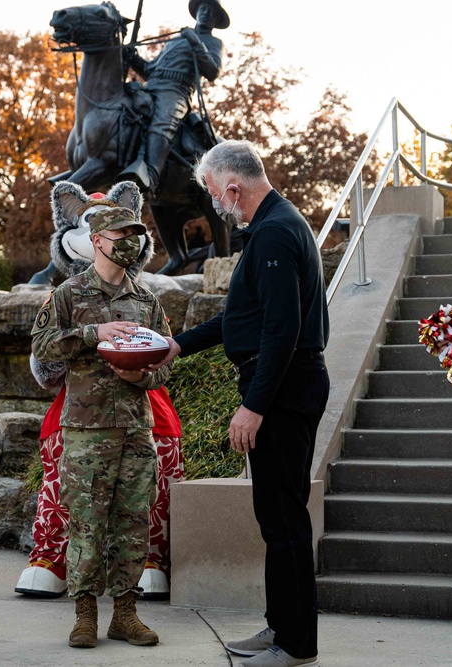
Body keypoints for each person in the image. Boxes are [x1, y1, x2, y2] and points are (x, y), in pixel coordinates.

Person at [153, 140, 329, 667]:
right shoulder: (274, 225)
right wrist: (177, 344)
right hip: (287, 383)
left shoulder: (275, 231)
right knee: (274, 516)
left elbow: (281, 329)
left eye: (213, 193)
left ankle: (296, 644)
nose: (214, 205)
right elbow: (244, 319)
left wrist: (253, 406)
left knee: (284, 520)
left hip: (284, 387)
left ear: (233, 187)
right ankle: (281, 627)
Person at [31, 206, 172, 650]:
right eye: (119, 234)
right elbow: (41, 346)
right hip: (87, 430)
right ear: (96, 239)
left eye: (135, 233)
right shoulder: (67, 294)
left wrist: (143, 377)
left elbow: (165, 359)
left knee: (133, 523)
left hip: (135, 427)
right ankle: (85, 615)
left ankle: (126, 615)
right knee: (87, 525)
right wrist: (95, 332)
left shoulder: (147, 300)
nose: (129, 241)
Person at [15, 384, 184, 599]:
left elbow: (47, 368)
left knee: (75, 482)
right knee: (73, 483)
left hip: (105, 408)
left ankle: (54, 560)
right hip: (108, 408)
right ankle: (147, 562)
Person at [120, 0, 227, 195]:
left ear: (216, 20)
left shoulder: (214, 43)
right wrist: (131, 57)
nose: (204, 13)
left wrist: (195, 41)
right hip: (151, 87)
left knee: (162, 122)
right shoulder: (176, 40)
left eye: (210, 12)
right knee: (118, 110)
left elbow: (212, 71)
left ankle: (150, 177)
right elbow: (150, 70)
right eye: (202, 8)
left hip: (176, 92)